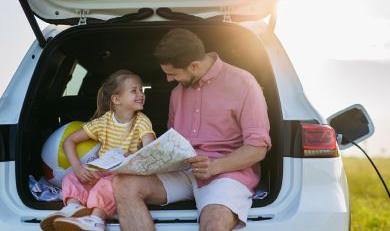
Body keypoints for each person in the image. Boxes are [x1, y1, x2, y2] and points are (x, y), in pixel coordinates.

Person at [113, 28, 271, 230]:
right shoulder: (177, 93)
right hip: (182, 171)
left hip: (225, 174)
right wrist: (141, 159)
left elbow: (257, 148)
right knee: (124, 184)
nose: (169, 80)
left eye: (172, 74)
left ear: (194, 66)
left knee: (214, 224)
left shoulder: (244, 83)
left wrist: (215, 166)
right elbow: (172, 142)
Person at [40, 70, 155, 231]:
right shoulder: (104, 121)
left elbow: (151, 146)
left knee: (106, 185)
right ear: (116, 99)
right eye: (134, 90)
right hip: (102, 168)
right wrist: (78, 168)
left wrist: (136, 155)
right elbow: (69, 141)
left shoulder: (142, 121)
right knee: (71, 177)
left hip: (123, 173)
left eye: (141, 90)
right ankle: (73, 208)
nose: (141, 94)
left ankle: (96, 220)